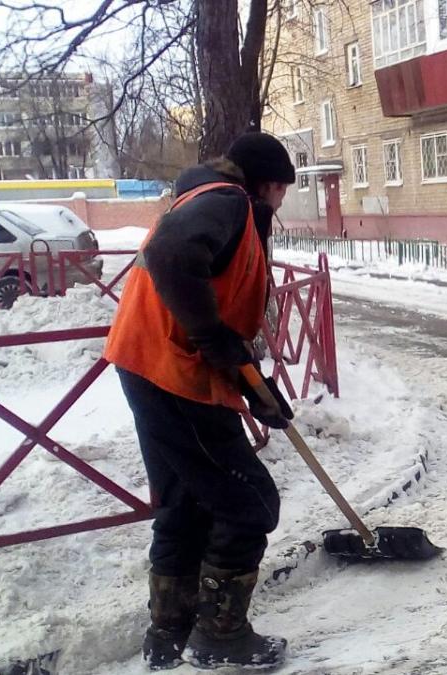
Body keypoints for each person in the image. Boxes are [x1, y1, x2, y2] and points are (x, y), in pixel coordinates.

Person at [105, 132, 299, 670]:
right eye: (283, 190)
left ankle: (169, 633)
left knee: (184, 501)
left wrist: (254, 386)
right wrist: (214, 341)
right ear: (269, 184)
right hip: (172, 371)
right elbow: (172, 257)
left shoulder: (203, 198)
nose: (281, 203)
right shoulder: (227, 201)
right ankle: (220, 637)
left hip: (148, 363)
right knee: (249, 503)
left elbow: (219, 309)